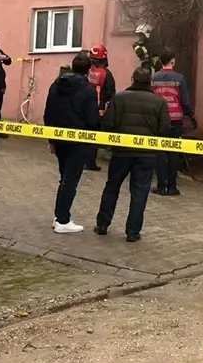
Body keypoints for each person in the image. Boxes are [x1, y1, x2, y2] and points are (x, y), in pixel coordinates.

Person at [95, 66, 169, 242]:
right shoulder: (159, 103)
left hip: (121, 152)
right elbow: (165, 129)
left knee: (112, 187)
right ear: (149, 82)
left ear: (132, 79)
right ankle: (133, 232)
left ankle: (103, 224)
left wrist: (110, 144)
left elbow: (108, 124)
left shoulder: (119, 98)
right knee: (140, 192)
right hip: (146, 154)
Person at [42, 52, 100, 234]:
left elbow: (48, 112)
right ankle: (62, 220)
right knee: (70, 180)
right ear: (88, 69)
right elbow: (92, 119)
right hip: (78, 142)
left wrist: (51, 138)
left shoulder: (56, 85)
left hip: (59, 139)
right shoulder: (88, 90)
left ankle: (59, 215)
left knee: (64, 178)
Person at [150, 51, 195, 196]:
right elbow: (185, 101)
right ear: (173, 61)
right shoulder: (179, 78)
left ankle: (161, 186)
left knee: (160, 153)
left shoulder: (154, 78)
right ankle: (172, 186)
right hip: (175, 120)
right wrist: (190, 114)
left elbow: (151, 97)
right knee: (173, 153)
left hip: (159, 120)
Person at [84, 44, 117, 173]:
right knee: (94, 136)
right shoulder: (106, 74)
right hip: (99, 109)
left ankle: (85, 160)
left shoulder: (89, 71)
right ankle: (90, 162)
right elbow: (110, 94)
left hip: (87, 107)